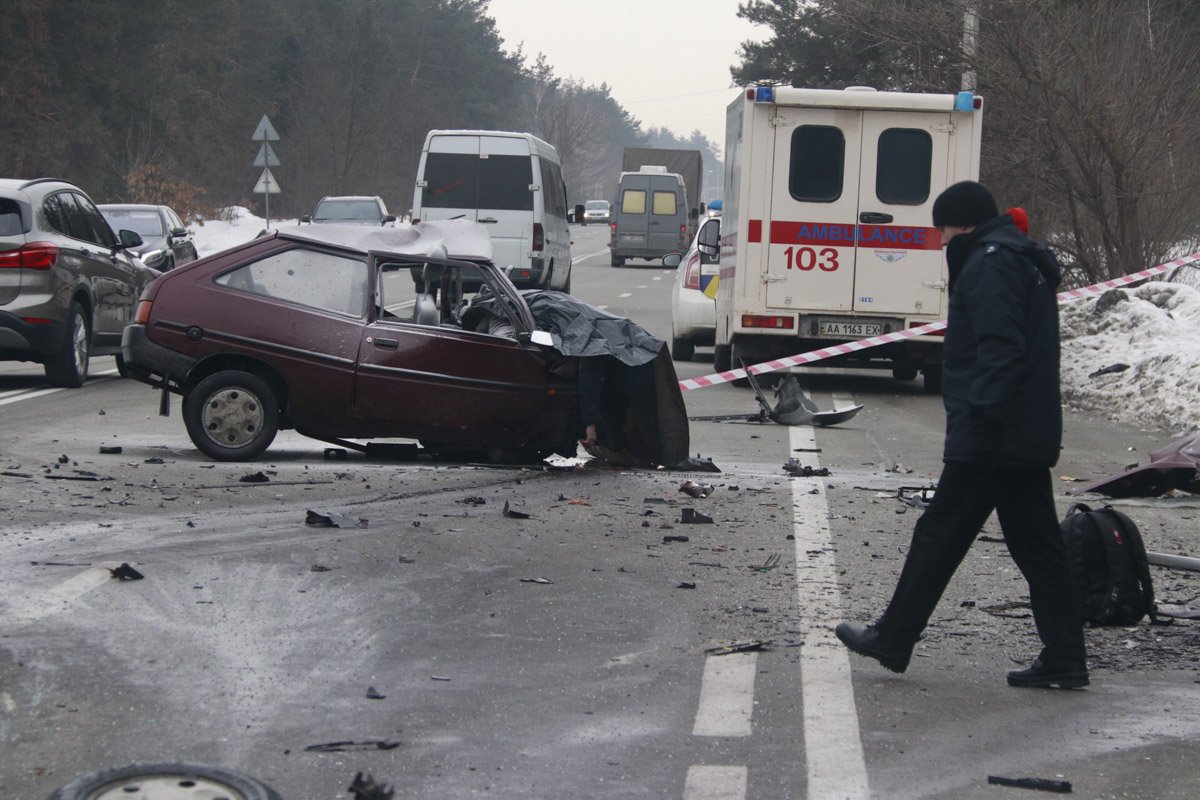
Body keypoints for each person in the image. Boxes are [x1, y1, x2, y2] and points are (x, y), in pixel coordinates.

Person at [835, 180, 1088, 689]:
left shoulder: (991, 263)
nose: (941, 240)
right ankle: (1065, 656)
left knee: (939, 534)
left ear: (964, 224)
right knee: (1038, 548)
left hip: (995, 434)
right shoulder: (1016, 258)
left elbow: (1000, 349)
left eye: (944, 230)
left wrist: (982, 422)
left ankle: (893, 637)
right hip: (1019, 432)